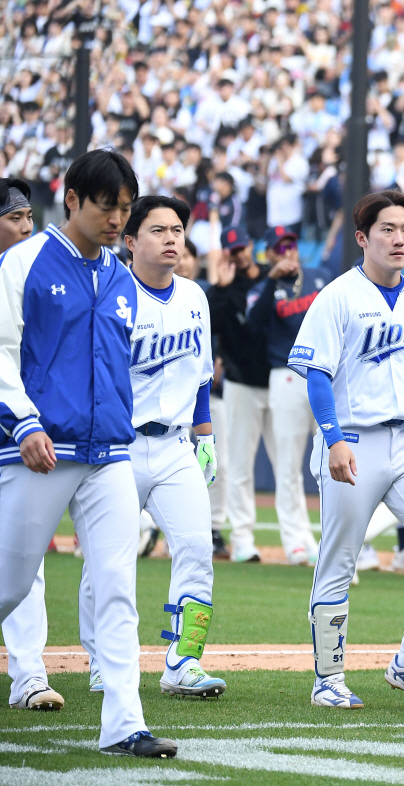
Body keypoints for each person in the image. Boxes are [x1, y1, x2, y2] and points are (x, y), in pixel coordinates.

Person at [0, 149, 176, 756]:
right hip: (36, 451)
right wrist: (23, 423)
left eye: (126, 210)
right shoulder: (22, 263)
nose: (117, 221)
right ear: (71, 198)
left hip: (109, 453)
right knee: (9, 584)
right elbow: (0, 350)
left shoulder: (120, 275)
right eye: (108, 207)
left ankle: (125, 723)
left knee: (117, 585)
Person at [289, 190, 404, 710]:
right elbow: (317, 375)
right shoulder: (338, 296)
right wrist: (333, 438)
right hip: (352, 440)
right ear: (363, 238)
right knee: (339, 562)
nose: (399, 238)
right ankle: (328, 678)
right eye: (387, 229)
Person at [77, 195, 225, 699]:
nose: (171, 239)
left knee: (197, 550)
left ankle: (183, 661)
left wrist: (205, 440)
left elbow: (201, 375)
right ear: (130, 239)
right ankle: (101, 661)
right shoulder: (110, 293)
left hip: (176, 446)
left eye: (177, 230)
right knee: (108, 559)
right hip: (118, 445)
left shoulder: (194, 296)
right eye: (158, 230)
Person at [0, 175, 62, 713]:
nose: (26, 227)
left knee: (26, 557)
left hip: (17, 435)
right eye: (14, 218)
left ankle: (29, 676)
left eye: (28, 217)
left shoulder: (34, 281)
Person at [244, 225, 328, 565]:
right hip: (286, 376)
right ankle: (295, 540)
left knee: (329, 458)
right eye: (281, 247)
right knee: (289, 466)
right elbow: (253, 322)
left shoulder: (320, 277)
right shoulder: (264, 287)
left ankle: (334, 538)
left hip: (323, 375)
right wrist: (270, 280)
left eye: (291, 244)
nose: (288, 251)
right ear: (270, 254)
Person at [205, 226, 273, 563]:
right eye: (233, 250)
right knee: (238, 465)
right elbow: (211, 323)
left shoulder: (268, 278)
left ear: (251, 246)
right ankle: (243, 537)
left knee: (289, 465)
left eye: (243, 248)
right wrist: (220, 286)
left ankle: (299, 538)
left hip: (278, 378)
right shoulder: (225, 288)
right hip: (241, 382)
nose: (239, 254)